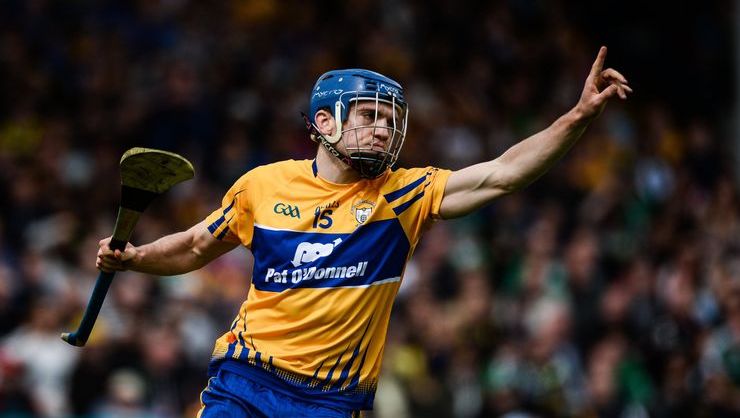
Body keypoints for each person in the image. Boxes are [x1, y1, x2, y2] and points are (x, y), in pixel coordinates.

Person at [97, 46, 631, 417]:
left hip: (332, 402)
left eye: (389, 120)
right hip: (245, 380)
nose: (383, 129)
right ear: (324, 123)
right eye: (369, 115)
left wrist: (577, 117)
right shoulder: (262, 185)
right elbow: (195, 246)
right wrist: (136, 257)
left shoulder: (403, 195)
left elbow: (504, 174)